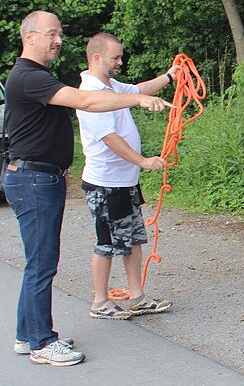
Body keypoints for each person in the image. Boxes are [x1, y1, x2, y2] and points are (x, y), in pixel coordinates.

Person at [2, 11, 172, 367]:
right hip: (33, 180)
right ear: (29, 36)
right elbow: (87, 102)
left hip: (41, 177)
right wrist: (137, 100)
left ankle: (26, 335)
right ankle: (41, 342)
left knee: (39, 263)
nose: (58, 39)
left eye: (60, 33)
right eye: (51, 33)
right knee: (42, 265)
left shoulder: (37, 76)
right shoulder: (27, 77)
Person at [76, 33, 173, 322]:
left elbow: (139, 89)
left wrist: (170, 76)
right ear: (97, 58)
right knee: (106, 242)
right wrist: (143, 161)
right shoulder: (91, 92)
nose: (121, 61)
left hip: (124, 181)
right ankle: (100, 301)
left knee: (132, 239)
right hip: (105, 184)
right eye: (115, 57)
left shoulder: (112, 86)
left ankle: (136, 297)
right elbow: (109, 138)